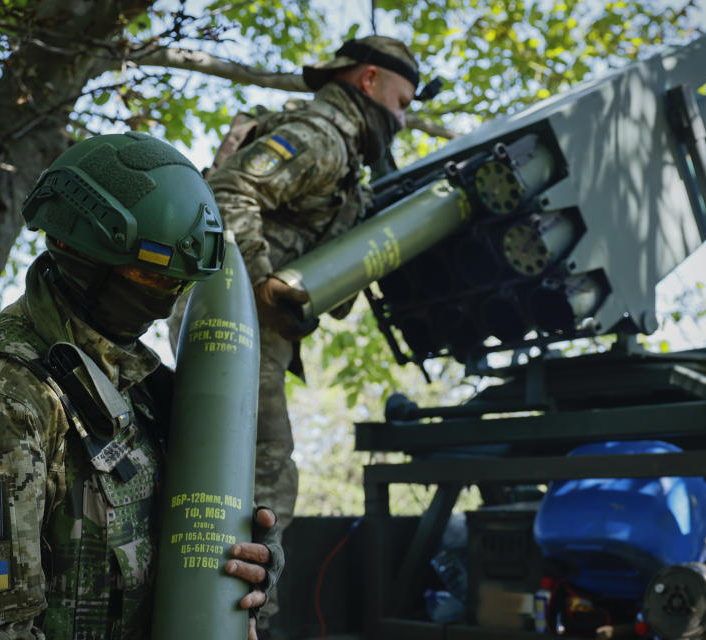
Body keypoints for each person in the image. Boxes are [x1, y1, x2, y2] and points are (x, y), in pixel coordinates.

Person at [0, 132, 283, 640]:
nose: (166, 300)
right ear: (76, 250)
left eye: (180, 284)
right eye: (152, 278)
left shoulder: (141, 392)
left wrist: (243, 566)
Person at [168, 35, 421, 633]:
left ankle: (240, 619)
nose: (404, 117)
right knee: (263, 477)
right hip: (234, 325)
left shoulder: (346, 158)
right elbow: (230, 191)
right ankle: (245, 624)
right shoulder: (321, 136)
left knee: (257, 475)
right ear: (368, 81)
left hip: (247, 331)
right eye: (403, 100)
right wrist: (260, 284)